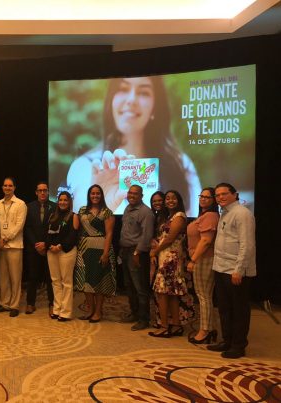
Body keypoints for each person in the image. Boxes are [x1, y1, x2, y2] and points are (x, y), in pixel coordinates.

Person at [66, 76, 201, 216]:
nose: (131, 99)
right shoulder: (85, 167)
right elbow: (79, 223)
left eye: (143, 92)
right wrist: (99, 208)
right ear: (111, 100)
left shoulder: (180, 165)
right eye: (123, 89)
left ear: (155, 108)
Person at [208, 183, 256, 359]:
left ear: (235, 194)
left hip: (235, 271)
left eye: (224, 194)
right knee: (224, 308)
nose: (220, 197)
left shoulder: (242, 213)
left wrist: (239, 269)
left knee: (239, 309)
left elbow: (247, 244)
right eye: (217, 195)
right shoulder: (225, 212)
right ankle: (227, 341)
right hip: (221, 268)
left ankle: (238, 345)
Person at [149, 191, 195, 330]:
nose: (170, 201)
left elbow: (170, 239)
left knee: (162, 292)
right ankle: (175, 325)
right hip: (165, 256)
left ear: (179, 200)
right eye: (167, 198)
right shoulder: (168, 216)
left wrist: (154, 251)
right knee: (171, 293)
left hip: (171, 258)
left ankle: (164, 327)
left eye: (173, 198)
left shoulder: (179, 216)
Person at [74, 185, 116, 323]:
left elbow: (109, 233)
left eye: (98, 193)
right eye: (92, 193)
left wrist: (105, 253)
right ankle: (90, 310)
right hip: (84, 249)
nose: (95, 196)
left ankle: (98, 311)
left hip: (101, 248)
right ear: (89, 195)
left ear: (102, 195)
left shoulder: (107, 212)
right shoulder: (82, 210)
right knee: (85, 281)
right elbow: (75, 227)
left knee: (99, 282)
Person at [119, 185, 155, 331]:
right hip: (125, 250)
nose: (132, 195)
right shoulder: (127, 208)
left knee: (140, 287)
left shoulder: (146, 212)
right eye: (130, 193)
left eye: (135, 193)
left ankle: (144, 319)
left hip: (137, 252)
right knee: (129, 285)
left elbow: (147, 235)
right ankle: (134, 313)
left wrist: (137, 253)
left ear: (141, 196)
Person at [187, 187, 219, 344]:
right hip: (201, 258)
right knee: (204, 295)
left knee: (203, 296)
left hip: (204, 259)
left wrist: (193, 260)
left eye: (207, 197)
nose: (203, 199)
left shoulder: (211, 216)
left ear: (214, 200)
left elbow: (206, 241)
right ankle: (209, 328)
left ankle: (205, 331)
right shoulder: (204, 215)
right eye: (201, 196)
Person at [0, 177, 27, 317]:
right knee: (3, 277)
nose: (7, 188)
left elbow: (19, 225)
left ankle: (14, 305)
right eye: (5, 185)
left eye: (10, 186)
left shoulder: (20, 204)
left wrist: (6, 238)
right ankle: (4, 303)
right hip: (1, 246)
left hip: (15, 245)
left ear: (14, 188)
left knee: (15, 277)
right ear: (2, 187)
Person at [45, 191, 79, 321]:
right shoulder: (52, 216)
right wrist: (50, 246)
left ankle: (65, 312)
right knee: (55, 281)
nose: (62, 202)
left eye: (65, 200)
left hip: (66, 251)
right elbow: (47, 234)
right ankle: (57, 309)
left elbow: (73, 236)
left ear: (69, 202)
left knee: (66, 282)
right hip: (51, 252)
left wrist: (59, 246)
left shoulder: (74, 216)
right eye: (60, 200)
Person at [24, 181, 56, 315]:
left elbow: (55, 229)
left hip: (49, 248)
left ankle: (52, 304)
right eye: (40, 190)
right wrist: (36, 244)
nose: (43, 193)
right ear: (36, 192)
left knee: (50, 278)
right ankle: (30, 303)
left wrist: (45, 244)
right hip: (34, 248)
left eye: (45, 190)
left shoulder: (55, 207)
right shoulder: (29, 207)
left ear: (48, 192)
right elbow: (27, 228)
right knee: (32, 276)